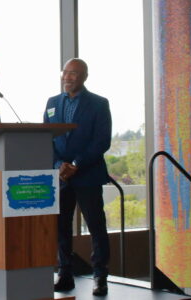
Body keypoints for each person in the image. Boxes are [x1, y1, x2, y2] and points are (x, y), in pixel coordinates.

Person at [43, 58, 112, 296]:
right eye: (65, 72)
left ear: (84, 77)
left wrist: (76, 164)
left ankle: (100, 276)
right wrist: (57, 164)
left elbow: (102, 141)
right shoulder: (52, 103)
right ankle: (65, 274)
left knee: (96, 226)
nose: (68, 77)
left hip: (88, 174)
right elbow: (45, 137)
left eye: (74, 73)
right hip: (60, 176)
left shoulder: (99, 104)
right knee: (61, 227)